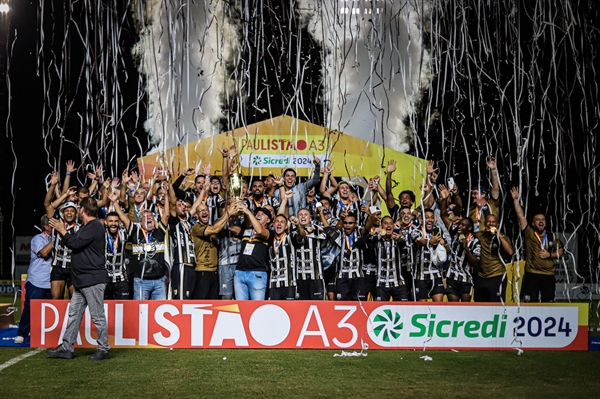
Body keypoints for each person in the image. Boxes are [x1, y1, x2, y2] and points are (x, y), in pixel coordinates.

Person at [47, 197, 110, 360]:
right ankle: (67, 347)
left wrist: (63, 231)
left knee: (97, 316)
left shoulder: (95, 226)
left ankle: (103, 349)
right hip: (82, 280)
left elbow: (74, 243)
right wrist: (64, 232)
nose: (77, 210)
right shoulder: (86, 227)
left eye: (79, 207)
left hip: (92, 279)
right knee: (74, 314)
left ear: (83, 210)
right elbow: (73, 243)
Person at [109, 189, 170, 300]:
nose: (149, 218)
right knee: (140, 310)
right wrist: (114, 202)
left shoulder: (159, 230)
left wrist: (166, 196)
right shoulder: (135, 230)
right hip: (141, 280)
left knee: (158, 309)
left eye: (150, 216)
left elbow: (166, 215)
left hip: (159, 280)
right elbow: (123, 217)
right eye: (145, 217)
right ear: (140, 222)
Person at [511, 187, 563, 302]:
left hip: (548, 275)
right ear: (533, 223)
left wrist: (549, 255)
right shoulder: (529, 232)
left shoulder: (552, 236)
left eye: (543, 220)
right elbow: (520, 216)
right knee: (530, 303)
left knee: (548, 302)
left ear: (545, 223)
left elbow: (561, 252)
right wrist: (515, 200)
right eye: (538, 219)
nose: (541, 221)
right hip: (532, 274)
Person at [15, 215, 53, 344]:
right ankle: (22, 333)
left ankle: (47, 334)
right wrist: (58, 239)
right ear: (46, 226)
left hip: (52, 282)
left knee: (50, 310)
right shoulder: (38, 239)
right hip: (37, 280)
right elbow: (44, 253)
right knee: (30, 307)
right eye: (53, 224)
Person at [191, 202, 233, 299]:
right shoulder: (196, 228)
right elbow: (215, 229)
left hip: (215, 272)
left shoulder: (211, 226)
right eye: (201, 211)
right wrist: (228, 213)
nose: (204, 212)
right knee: (202, 303)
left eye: (205, 210)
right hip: (202, 271)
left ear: (209, 213)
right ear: (197, 215)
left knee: (213, 302)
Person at [231, 204, 272, 300]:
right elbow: (231, 227)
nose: (258, 215)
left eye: (262, 214)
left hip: (257, 273)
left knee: (257, 308)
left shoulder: (268, 232)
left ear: (268, 220)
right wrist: (232, 213)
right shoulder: (246, 230)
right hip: (240, 272)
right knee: (241, 308)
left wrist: (248, 212)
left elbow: (259, 230)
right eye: (257, 213)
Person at [474, 214, 514, 302]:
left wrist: (499, 235)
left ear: (497, 224)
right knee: (480, 305)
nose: (491, 224)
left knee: (497, 305)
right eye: (488, 221)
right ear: (485, 224)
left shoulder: (503, 237)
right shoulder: (479, 235)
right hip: (482, 277)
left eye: (493, 222)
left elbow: (510, 252)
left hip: (497, 276)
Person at [268, 215, 297, 300]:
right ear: (273, 224)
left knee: (290, 312)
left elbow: (301, 235)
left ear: (286, 226)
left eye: (282, 222)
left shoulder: (290, 237)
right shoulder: (269, 239)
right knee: (273, 311)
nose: (279, 223)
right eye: (277, 221)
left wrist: (298, 225)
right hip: (273, 283)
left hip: (289, 284)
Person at [469, 157, 501, 232]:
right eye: (472, 193)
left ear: (483, 195)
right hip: (477, 241)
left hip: (491, 238)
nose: (473, 195)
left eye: (475, 193)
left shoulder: (492, 203)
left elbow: (495, 188)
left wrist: (493, 170)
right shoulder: (471, 210)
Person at [103, 211, 129, 300]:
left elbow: (129, 223)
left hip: (121, 278)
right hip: (105, 279)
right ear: (106, 222)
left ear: (119, 223)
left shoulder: (124, 233)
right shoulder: (100, 235)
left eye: (116, 221)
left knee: (123, 307)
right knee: (104, 307)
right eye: (111, 221)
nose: (113, 224)